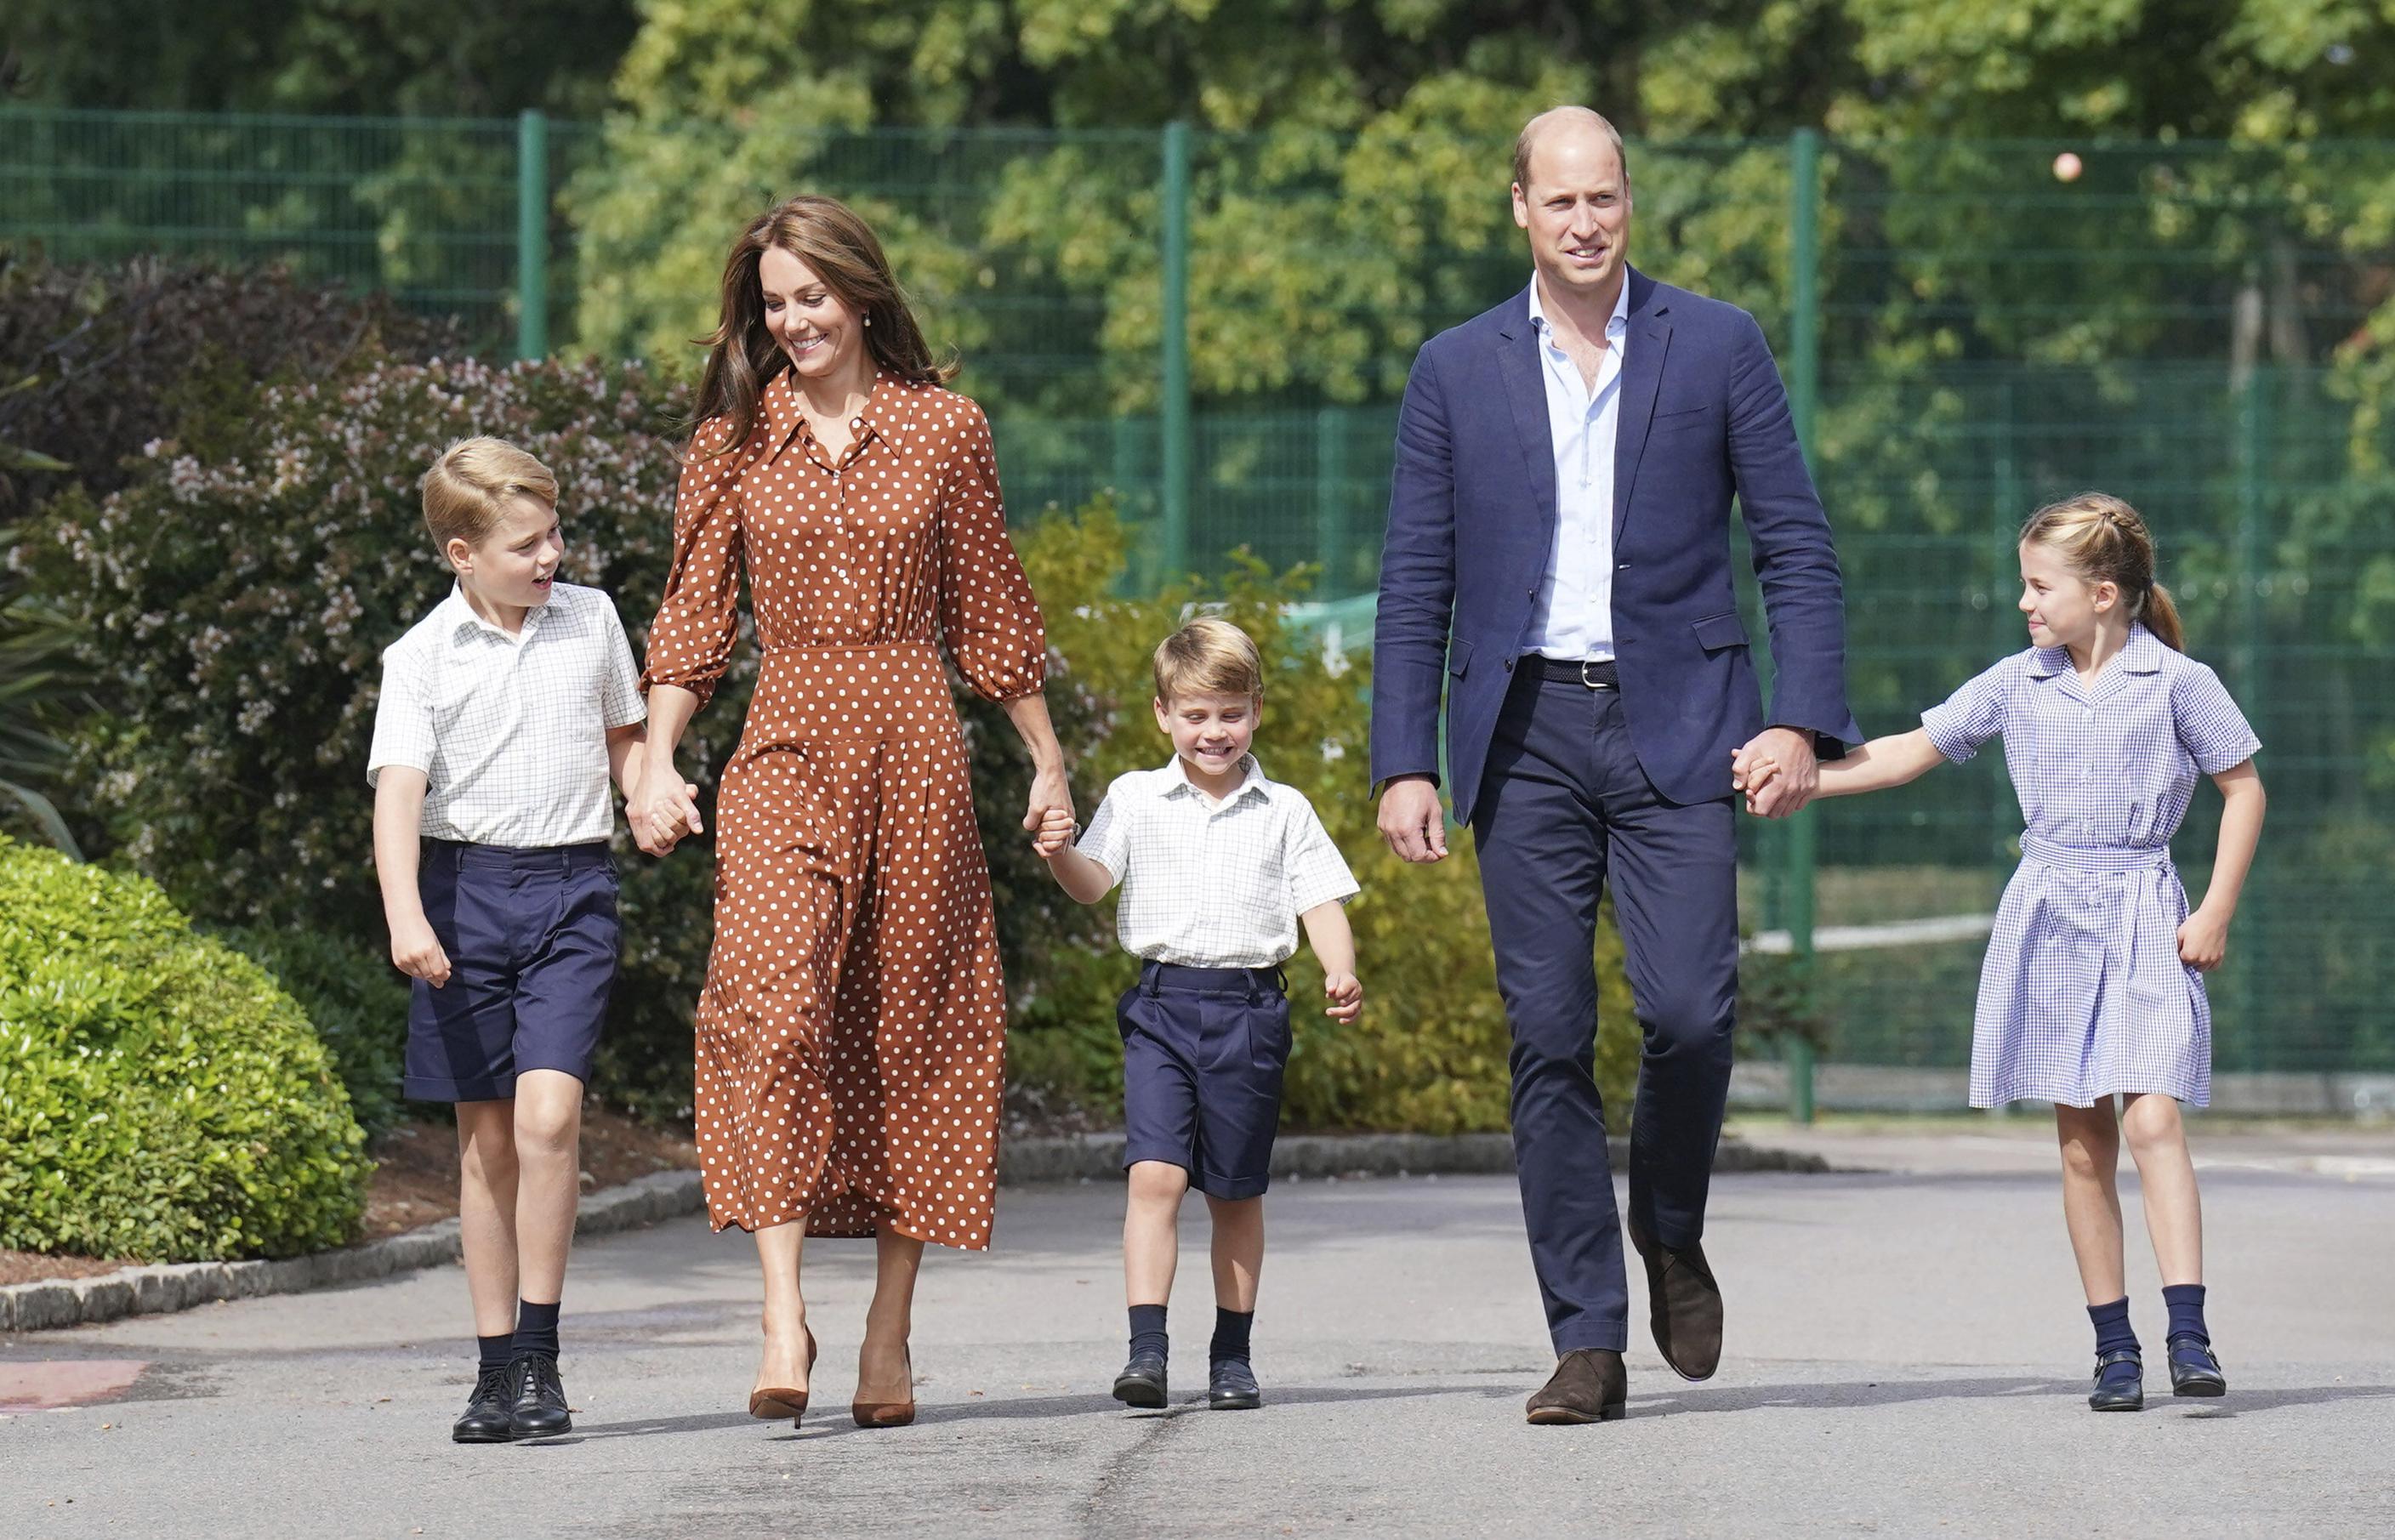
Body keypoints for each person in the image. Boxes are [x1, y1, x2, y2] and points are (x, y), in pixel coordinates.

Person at [1369, 105, 1858, 1424]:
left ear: (1629, 201)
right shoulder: (1455, 368)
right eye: (1561, 202)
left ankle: (1673, 1226)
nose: (1586, 223)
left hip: (1687, 722)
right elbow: (1415, 575)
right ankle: (1586, 1333)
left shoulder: (1719, 342)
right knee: (1548, 1037)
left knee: (1693, 1012)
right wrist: (1401, 760)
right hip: (1522, 732)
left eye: (1607, 199)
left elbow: (1797, 548)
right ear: (1518, 209)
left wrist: (1801, 722)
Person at [628, 195, 1072, 1429]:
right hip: (785, 742)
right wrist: (659, 760)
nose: (792, 320)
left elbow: (990, 607)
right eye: (773, 303)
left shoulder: (946, 429)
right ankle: (783, 1312)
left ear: (862, 295)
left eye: (811, 297)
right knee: (767, 1002)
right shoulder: (732, 443)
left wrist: (1046, 762)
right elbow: (695, 617)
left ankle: (888, 1331)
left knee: (906, 1024)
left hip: (917, 743)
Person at [1738, 492, 2265, 1412]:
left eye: (2038, 584)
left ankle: (2189, 1329)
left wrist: (2215, 906)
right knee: (2080, 1140)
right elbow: (1906, 750)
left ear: (2102, 593)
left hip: (2145, 910)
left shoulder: (2180, 683)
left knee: (2153, 1120)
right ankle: (2114, 1348)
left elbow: (2244, 787)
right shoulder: (2017, 681)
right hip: (2051, 916)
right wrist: (1805, 777)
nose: (2024, 602)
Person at [369, 437, 651, 1443]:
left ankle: (541, 1351)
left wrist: (647, 786)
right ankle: (496, 1373)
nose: (550, 558)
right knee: (485, 1142)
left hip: (573, 888)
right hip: (462, 896)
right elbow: (399, 794)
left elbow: (627, 736)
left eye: (555, 535)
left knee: (546, 1121)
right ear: (462, 552)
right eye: (528, 544)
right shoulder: (420, 657)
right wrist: (407, 913)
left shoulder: (593, 619)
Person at [1037, 618, 1362, 1412]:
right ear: (1162, 714)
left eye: (1229, 712)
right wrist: (1057, 850)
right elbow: (1091, 882)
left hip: (1250, 1011)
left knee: (1234, 1193)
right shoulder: (1134, 798)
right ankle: (1146, 1349)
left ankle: (1232, 1356)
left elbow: (1319, 897)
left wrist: (1340, 967)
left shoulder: (1284, 808)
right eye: (1195, 714)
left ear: (1256, 710)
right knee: (1154, 1175)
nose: (1213, 731)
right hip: (1162, 1007)